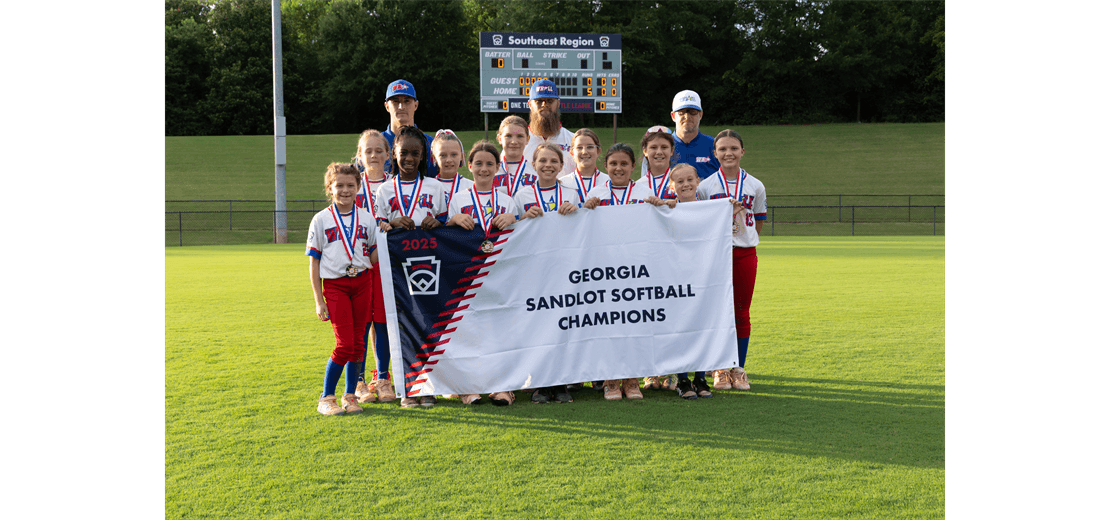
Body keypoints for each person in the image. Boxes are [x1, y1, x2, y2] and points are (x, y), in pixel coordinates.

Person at [374, 126, 447, 407]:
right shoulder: (384, 190)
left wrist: (437, 222)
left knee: (428, 324)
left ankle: (427, 386)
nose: (409, 158)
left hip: (428, 267)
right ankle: (407, 388)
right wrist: (391, 224)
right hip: (396, 270)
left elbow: (445, 225)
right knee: (401, 326)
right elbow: (377, 226)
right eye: (403, 152)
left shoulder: (435, 187)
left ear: (423, 156)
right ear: (394, 153)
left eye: (415, 154)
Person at [447, 140, 522, 407]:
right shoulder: (458, 200)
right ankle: (468, 388)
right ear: (469, 166)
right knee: (468, 333)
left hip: (499, 276)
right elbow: (447, 238)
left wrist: (514, 218)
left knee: (498, 333)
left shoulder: (507, 201)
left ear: (498, 167)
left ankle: (502, 387)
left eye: (490, 164)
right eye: (478, 163)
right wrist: (453, 219)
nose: (484, 168)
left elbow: (521, 238)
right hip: (468, 276)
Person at [696, 130, 767, 392]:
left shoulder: (755, 185)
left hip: (744, 252)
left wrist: (743, 240)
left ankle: (738, 368)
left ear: (742, 152)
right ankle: (719, 368)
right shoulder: (705, 187)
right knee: (713, 312)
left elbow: (759, 221)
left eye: (734, 148)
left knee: (741, 311)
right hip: (715, 254)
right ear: (715, 154)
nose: (729, 153)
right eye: (723, 149)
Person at [306, 163, 379, 415]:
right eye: (339, 186)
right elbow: (313, 262)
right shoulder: (321, 219)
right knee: (345, 344)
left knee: (358, 343)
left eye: (350, 185)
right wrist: (319, 300)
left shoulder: (368, 218)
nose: (345, 190)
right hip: (335, 285)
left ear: (359, 187)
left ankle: (350, 396)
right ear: (330, 188)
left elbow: (373, 257)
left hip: (362, 282)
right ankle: (326, 397)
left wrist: (387, 234)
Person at [512, 142, 581, 405]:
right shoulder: (522, 196)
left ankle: (562, 382)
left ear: (562, 166)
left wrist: (577, 211)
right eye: (543, 161)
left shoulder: (571, 194)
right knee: (537, 327)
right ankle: (539, 381)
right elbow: (511, 230)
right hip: (534, 271)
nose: (548, 165)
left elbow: (586, 227)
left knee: (563, 325)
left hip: (564, 269)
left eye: (554, 161)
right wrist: (522, 218)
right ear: (534, 164)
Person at [664, 164, 722, 399]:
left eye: (690, 179)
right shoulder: (666, 210)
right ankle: (682, 379)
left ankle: (700, 377)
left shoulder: (710, 210)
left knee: (702, 325)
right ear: (672, 186)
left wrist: (729, 210)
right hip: (676, 278)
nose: (686, 184)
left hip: (703, 277)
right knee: (680, 326)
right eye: (680, 181)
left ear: (699, 181)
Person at [351, 129, 396, 404]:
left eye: (379, 150)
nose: (374, 155)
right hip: (358, 263)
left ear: (388, 155)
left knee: (383, 321)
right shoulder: (351, 186)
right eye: (368, 151)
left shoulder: (395, 185)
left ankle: (382, 377)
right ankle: (357, 380)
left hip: (387, 264)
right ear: (359, 155)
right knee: (361, 322)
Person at [640, 89, 721, 180]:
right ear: (673, 116)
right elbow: (645, 184)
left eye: (692, 112)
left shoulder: (715, 146)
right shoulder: (660, 147)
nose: (687, 117)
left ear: (700, 115)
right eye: (681, 112)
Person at [382, 79, 438, 178]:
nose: (401, 106)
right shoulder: (375, 143)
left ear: (416, 105)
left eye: (407, 101)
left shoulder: (432, 144)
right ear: (387, 106)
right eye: (395, 101)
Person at [582, 143, 665, 210]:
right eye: (613, 163)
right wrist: (586, 209)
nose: (618, 168)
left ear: (633, 166)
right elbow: (586, 223)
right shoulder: (595, 194)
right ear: (606, 166)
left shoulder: (646, 194)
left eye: (624, 164)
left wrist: (660, 207)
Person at [522, 79, 576, 179]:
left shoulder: (573, 140)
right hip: (528, 194)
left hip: (565, 194)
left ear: (558, 103)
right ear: (530, 104)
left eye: (550, 101)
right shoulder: (518, 142)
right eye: (539, 101)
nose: (544, 105)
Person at [559, 128, 610, 203]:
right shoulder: (562, 184)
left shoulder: (609, 182)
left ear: (598, 151)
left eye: (590, 147)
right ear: (572, 153)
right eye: (579, 148)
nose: (584, 152)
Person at [492, 115, 537, 196]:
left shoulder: (536, 171)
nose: (514, 141)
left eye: (520, 136)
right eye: (508, 136)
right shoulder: (490, 170)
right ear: (499, 138)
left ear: (527, 139)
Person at [431, 129, 473, 211]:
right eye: (443, 155)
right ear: (434, 158)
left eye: (454, 155)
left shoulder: (471, 187)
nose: (449, 160)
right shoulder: (428, 186)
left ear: (461, 155)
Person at [640, 125, 678, 201]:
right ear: (645, 151)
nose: (659, 152)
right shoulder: (638, 186)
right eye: (653, 147)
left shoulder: (682, 182)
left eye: (664, 147)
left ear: (671, 150)